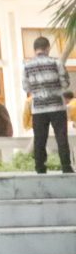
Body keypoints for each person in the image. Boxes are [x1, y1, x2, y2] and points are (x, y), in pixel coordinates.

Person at [22, 36, 73, 173]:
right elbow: (65, 83)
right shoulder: (56, 62)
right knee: (61, 137)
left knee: (39, 139)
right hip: (57, 106)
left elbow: (26, 87)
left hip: (38, 108)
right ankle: (66, 167)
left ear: (35, 49)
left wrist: (38, 91)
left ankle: (40, 167)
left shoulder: (27, 66)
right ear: (47, 48)